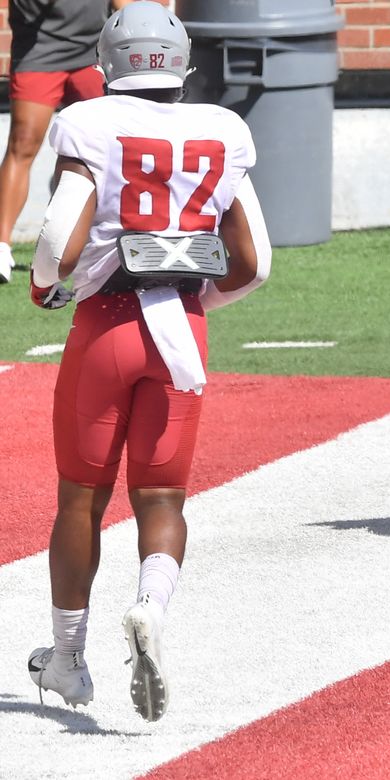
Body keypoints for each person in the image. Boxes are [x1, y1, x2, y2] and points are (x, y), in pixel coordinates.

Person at [25, 1, 271, 722]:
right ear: (182, 62)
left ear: (110, 61)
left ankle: (68, 659)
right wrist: (194, 307)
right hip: (183, 332)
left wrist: (47, 286)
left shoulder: (90, 122)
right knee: (161, 500)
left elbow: (60, 228)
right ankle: (150, 606)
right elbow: (254, 262)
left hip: (105, 325)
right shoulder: (222, 129)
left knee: (82, 497)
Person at [0, 0, 146, 284]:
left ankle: (119, 239)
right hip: (39, 50)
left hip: (92, 51)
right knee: (23, 143)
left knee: (110, 145)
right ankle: (1, 247)